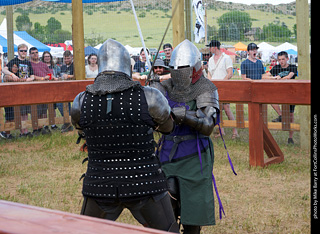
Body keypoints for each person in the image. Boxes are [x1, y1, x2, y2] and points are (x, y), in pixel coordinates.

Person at [70, 39, 179, 233]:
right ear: (128, 66)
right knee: (168, 232)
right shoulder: (149, 96)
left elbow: (83, 132)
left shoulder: (81, 100)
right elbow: (168, 128)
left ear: (100, 66)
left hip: (100, 183)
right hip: (144, 183)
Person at [150, 39, 220, 234]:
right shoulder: (164, 87)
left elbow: (207, 126)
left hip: (194, 155)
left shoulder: (205, 88)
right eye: (175, 68)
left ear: (194, 67)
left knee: (193, 210)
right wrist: (151, 97)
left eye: (183, 68)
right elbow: (154, 122)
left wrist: (185, 116)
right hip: (167, 154)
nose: (179, 73)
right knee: (165, 204)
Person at [262, 51, 298, 144]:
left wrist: (280, 78)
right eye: (279, 60)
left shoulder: (293, 67)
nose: (281, 61)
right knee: (270, 99)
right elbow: (264, 76)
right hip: (279, 92)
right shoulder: (276, 68)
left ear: (287, 59)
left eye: (283, 59)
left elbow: (289, 76)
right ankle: (281, 115)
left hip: (290, 94)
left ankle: (290, 138)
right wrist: (273, 78)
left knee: (291, 116)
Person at [207, 40, 238, 139]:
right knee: (217, 109)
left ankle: (235, 131)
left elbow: (230, 73)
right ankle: (221, 131)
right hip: (214, 88)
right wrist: (210, 82)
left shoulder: (226, 58)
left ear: (214, 47)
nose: (209, 49)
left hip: (224, 87)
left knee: (227, 109)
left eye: (210, 47)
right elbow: (209, 73)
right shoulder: (211, 59)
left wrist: (222, 84)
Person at [2, 44, 35, 137]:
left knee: (25, 111)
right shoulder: (13, 61)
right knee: (17, 112)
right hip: (14, 90)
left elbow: (32, 76)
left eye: (25, 51)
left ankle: (25, 131)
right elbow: (4, 70)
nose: (23, 52)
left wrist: (28, 79)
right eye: (22, 51)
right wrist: (12, 75)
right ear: (18, 51)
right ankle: (18, 131)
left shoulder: (28, 63)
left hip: (25, 90)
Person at [59, 50, 74, 132]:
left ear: (71, 57)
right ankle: (68, 122)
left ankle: (68, 122)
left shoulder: (74, 66)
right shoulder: (63, 67)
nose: (66, 60)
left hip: (73, 88)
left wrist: (68, 76)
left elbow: (77, 75)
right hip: (64, 88)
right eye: (65, 58)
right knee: (60, 104)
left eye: (68, 58)